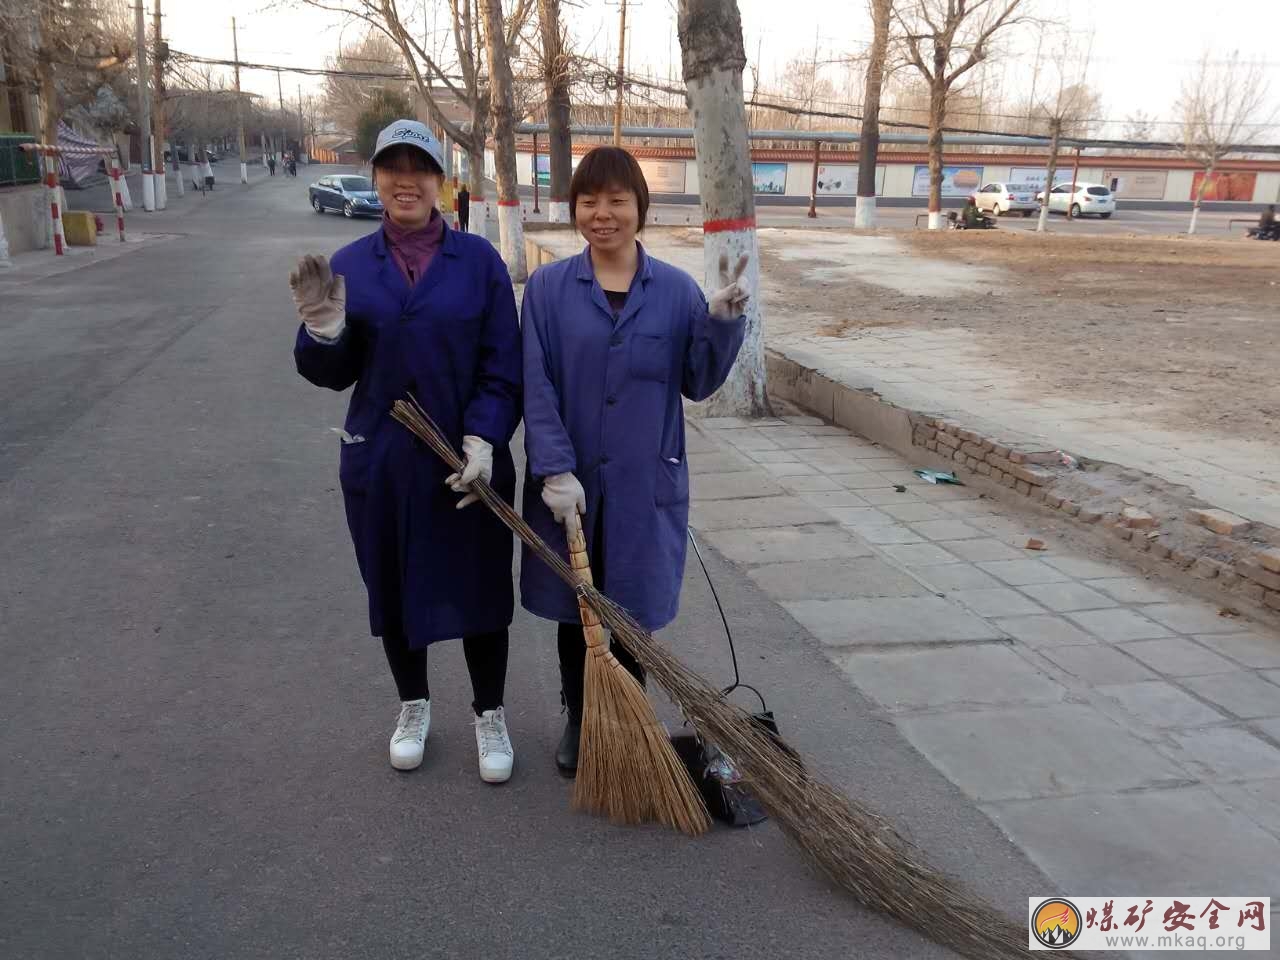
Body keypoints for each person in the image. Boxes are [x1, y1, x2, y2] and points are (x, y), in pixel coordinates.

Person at [292, 119, 522, 782]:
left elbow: (502, 364)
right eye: (391, 168)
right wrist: (325, 331)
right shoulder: (351, 266)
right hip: (384, 458)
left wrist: (484, 436)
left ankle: (490, 713)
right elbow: (330, 374)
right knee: (392, 588)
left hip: (464, 462)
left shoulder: (478, 263)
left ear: (440, 182)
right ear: (376, 179)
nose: (405, 180)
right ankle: (413, 705)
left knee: (480, 589)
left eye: (419, 167)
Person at [519, 146, 749, 775]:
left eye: (617, 201)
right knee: (579, 604)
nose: (603, 214)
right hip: (574, 483)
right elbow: (536, 385)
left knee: (633, 612)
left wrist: (724, 324)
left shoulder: (675, 292)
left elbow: (697, 381)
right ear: (575, 210)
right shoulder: (547, 289)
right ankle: (581, 716)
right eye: (589, 201)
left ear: (639, 208)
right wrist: (554, 469)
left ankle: (628, 718)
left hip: (647, 479)